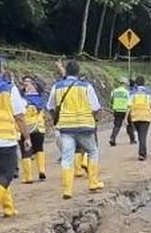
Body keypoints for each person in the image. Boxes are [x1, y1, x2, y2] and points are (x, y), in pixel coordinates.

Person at [47, 60, 103, 199]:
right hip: (85, 126)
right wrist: (90, 117)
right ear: (78, 72)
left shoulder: (57, 87)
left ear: (66, 71)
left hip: (65, 127)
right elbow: (96, 107)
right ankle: (93, 183)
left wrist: (57, 118)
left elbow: (50, 106)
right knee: (92, 151)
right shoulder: (86, 86)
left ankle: (67, 190)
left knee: (67, 158)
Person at [0, 55, 31, 223]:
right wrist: (26, 136)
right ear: (1, 68)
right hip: (3, 139)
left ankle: (8, 208)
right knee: (6, 174)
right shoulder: (9, 88)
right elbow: (20, 116)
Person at [19, 76, 47, 183]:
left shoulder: (22, 100)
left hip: (25, 128)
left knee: (26, 151)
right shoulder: (40, 99)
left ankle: (28, 176)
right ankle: (41, 170)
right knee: (39, 148)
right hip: (39, 128)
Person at [128, 76, 151, 161]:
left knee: (140, 134)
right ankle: (142, 153)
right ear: (144, 83)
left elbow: (129, 106)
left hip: (135, 117)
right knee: (143, 135)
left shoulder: (132, 92)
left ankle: (142, 151)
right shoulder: (148, 92)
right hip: (145, 116)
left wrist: (126, 118)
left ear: (136, 83)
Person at [109, 78, 136, 146]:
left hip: (117, 110)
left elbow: (111, 101)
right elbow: (130, 102)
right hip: (125, 110)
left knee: (117, 125)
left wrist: (113, 106)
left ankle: (112, 138)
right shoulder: (127, 92)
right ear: (125, 84)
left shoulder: (114, 91)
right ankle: (132, 139)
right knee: (129, 125)